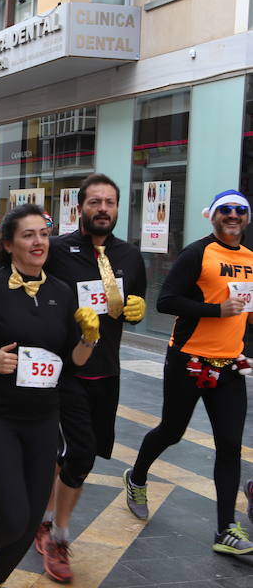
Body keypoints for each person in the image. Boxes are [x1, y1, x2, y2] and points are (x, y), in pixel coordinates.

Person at [0, 204, 99, 588]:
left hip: (43, 416)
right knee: (11, 515)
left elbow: (72, 362)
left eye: (43, 233)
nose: (39, 241)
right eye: (28, 235)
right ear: (9, 245)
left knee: (29, 523)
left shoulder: (61, 292)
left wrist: (90, 338)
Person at [124, 189, 253, 556]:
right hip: (189, 360)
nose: (233, 215)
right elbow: (166, 301)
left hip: (229, 366)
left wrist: (246, 353)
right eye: (225, 210)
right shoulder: (198, 252)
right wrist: (216, 311)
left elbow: (248, 314)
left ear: (246, 218)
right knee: (172, 431)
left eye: (240, 210)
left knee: (230, 445)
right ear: (212, 215)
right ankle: (136, 477)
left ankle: (225, 528)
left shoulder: (250, 258)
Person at [36, 173, 147, 582]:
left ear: (118, 209)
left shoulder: (130, 255)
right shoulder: (57, 249)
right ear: (79, 206)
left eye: (110, 202)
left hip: (107, 370)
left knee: (79, 454)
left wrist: (136, 307)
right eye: (95, 201)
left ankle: (45, 517)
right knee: (78, 452)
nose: (103, 209)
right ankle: (58, 537)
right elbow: (28, 288)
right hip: (62, 368)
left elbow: (136, 299)